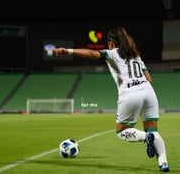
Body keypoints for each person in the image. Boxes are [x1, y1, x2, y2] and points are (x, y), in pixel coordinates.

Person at [52, 27, 169, 172]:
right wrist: (143, 96)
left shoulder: (113, 53)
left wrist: (69, 51)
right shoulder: (136, 56)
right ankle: (163, 163)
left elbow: (91, 53)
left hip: (130, 93)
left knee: (122, 131)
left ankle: (146, 137)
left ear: (111, 43)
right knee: (154, 130)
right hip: (149, 92)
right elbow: (148, 79)